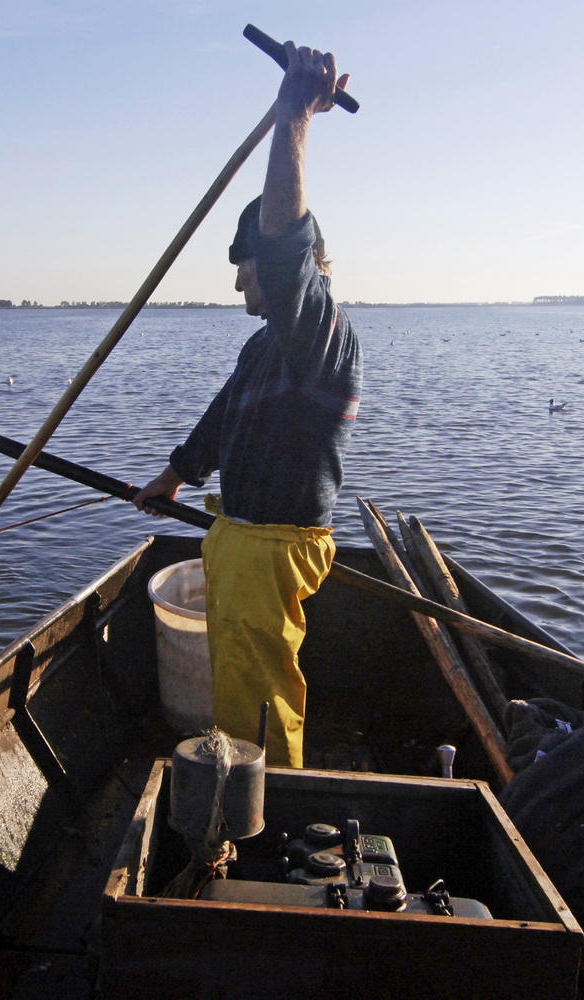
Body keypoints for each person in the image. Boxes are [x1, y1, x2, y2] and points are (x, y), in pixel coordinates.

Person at [133, 42, 360, 768]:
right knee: (236, 687)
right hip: (240, 536)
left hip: (272, 548)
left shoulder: (315, 333)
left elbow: (287, 245)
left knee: (258, 698)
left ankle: (275, 818)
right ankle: (239, 798)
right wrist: (176, 474)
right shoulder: (264, 350)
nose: (238, 289)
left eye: (244, 271)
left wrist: (295, 115)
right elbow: (223, 415)